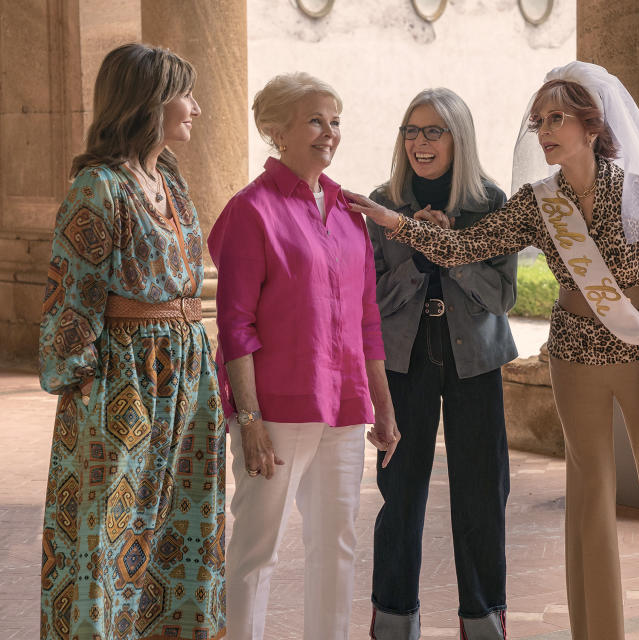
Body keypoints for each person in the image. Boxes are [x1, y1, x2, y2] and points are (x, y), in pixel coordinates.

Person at [349, 61, 639, 640]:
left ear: (592, 126)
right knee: (589, 505)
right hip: (573, 364)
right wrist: (398, 223)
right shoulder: (536, 202)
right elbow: (469, 247)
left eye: (557, 119)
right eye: (538, 120)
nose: (544, 131)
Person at [38, 43, 224, 639]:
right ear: (150, 102)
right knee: (110, 534)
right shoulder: (98, 186)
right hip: (123, 382)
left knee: (180, 526)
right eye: (184, 94)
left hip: (186, 375)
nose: (195, 106)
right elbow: (70, 296)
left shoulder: (169, 179)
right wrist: (85, 389)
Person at [208, 72, 398, 640]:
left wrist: (382, 407)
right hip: (278, 410)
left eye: (335, 121)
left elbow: (368, 321)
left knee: (336, 545)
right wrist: (249, 420)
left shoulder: (347, 214)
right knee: (255, 550)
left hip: (343, 408)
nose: (329, 133)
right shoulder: (251, 211)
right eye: (315, 120)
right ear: (276, 131)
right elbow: (234, 326)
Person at [366, 88, 518, 639]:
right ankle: (393, 618)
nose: (420, 142)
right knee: (400, 488)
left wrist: (452, 253)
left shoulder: (490, 203)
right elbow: (374, 299)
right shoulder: (383, 203)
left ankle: (483, 618)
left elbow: (501, 297)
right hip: (406, 357)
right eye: (412, 130)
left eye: (434, 131)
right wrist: (419, 256)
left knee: (481, 489)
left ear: (459, 138)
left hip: (474, 357)